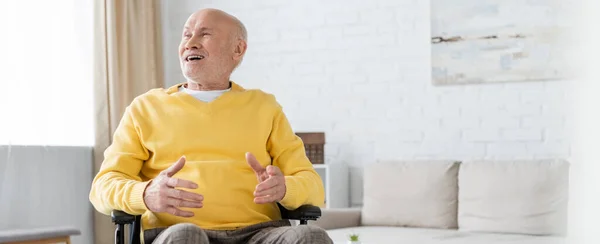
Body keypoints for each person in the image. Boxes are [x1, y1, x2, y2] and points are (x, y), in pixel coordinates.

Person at [89, 8, 333, 244]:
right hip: (178, 232)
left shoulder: (265, 107)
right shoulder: (145, 108)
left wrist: (284, 188)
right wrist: (145, 194)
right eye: (186, 34)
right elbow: (103, 187)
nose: (190, 43)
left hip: (259, 233)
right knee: (186, 237)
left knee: (312, 238)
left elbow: (313, 185)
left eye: (204, 34)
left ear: (237, 49)